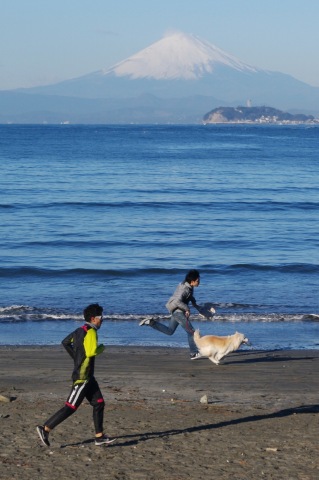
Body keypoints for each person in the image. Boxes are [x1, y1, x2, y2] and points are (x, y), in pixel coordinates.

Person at [36, 303, 115, 447]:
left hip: (89, 377)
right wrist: (102, 348)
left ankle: (99, 436)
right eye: (101, 317)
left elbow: (65, 342)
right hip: (82, 377)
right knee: (70, 407)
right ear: (93, 319)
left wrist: (77, 358)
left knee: (99, 403)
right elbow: (91, 352)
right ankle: (45, 428)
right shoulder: (91, 331)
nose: (102, 319)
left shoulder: (80, 330)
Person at [139, 269, 202, 360]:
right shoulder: (185, 289)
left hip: (177, 311)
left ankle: (151, 322)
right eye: (197, 280)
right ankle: (193, 353)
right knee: (191, 332)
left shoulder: (188, 286)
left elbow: (188, 296)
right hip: (178, 312)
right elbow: (177, 301)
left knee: (170, 331)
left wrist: (194, 302)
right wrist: (187, 308)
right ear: (192, 281)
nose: (199, 282)